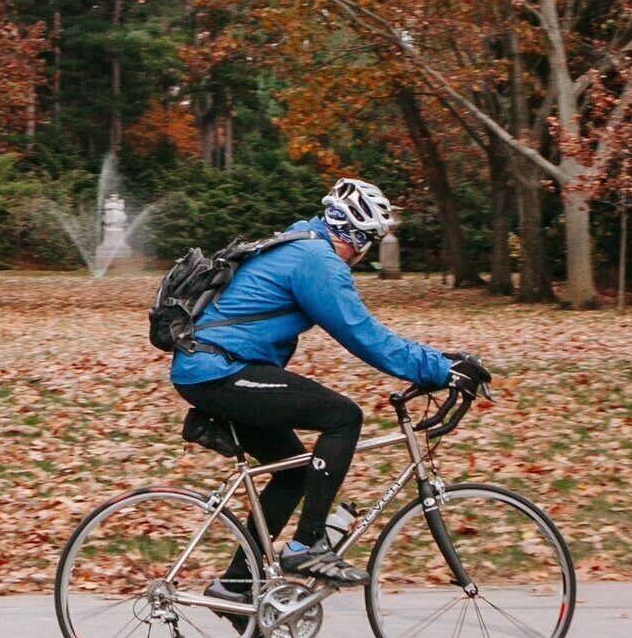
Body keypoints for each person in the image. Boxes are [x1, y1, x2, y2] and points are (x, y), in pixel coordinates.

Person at [170, 178, 481, 577]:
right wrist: (439, 368)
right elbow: (363, 335)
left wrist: (438, 361)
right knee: (342, 417)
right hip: (218, 370)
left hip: (214, 367)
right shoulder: (316, 261)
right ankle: (307, 545)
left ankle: (236, 585)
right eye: (366, 243)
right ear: (359, 238)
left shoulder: (300, 243)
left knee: (294, 472)